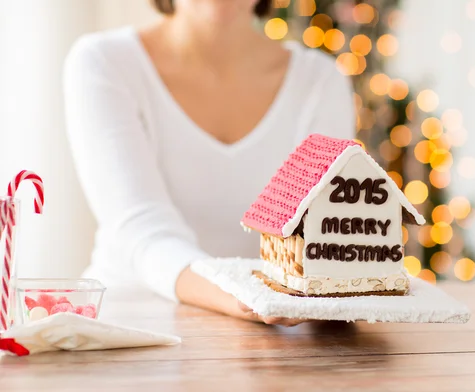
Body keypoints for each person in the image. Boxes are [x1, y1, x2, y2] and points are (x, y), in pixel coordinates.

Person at [63, 0, 355, 326]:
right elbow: (141, 230)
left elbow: (323, 233)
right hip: (127, 330)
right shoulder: (104, 62)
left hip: (270, 343)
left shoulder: (320, 81)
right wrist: (248, 297)